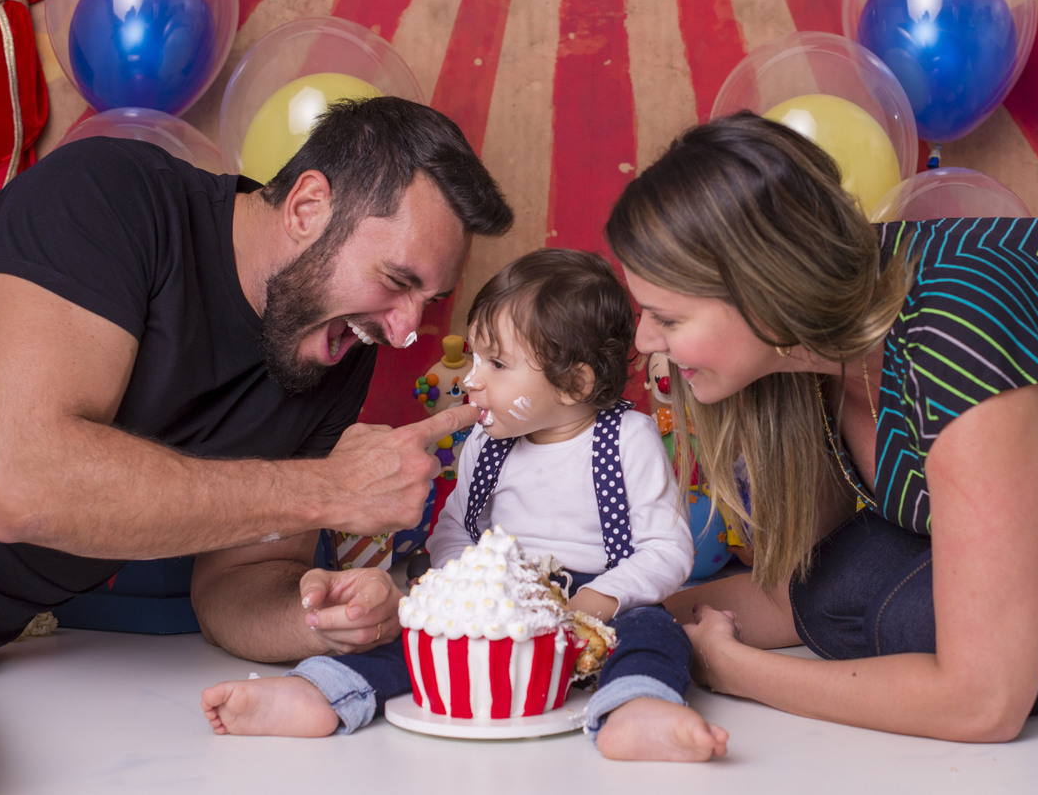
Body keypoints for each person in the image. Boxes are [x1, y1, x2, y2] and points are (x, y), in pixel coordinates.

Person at [0, 96, 513, 782]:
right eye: (397, 282)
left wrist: (326, 619)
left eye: (431, 301)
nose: (404, 332)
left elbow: (237, 584)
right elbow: (24, 485)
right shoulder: (107, 195)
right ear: (307, 208)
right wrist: (329, 489)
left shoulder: (333, 355)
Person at [603, 109, 1038, 743]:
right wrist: (604, 623)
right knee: (839, 588)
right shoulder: (805, 354)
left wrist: (734, 671)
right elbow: (789, 599)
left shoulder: (962, 325)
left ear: (764, 294)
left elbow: (981, 705)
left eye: (667, 317)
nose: (643, 339)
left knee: (918, 621)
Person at [201, 248, 729, 761]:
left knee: (657, 635)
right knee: (413, 639)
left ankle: (636, 709)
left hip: (599, 609)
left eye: (497, 363)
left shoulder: (626, 439)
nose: (472, 380)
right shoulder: (486, 442)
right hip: (499, 607)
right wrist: (461, 592)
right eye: (475, 358)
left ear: (575, 383)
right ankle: (320, 692)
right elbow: (455, 527)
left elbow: (666, 549)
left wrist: (603, 599)